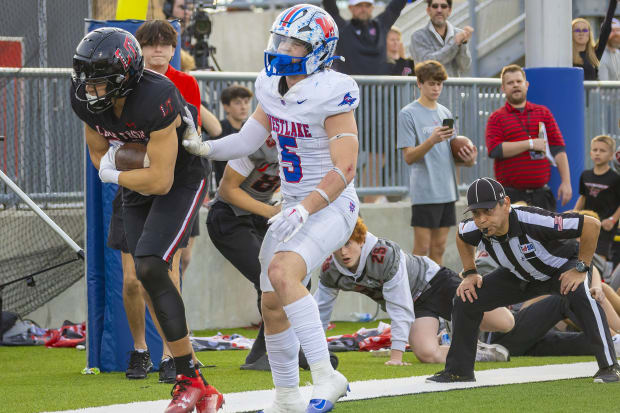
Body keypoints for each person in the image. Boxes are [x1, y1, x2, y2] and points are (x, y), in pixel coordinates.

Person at [182, 5, 361, 412]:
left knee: (282, 272)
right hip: (294, 205)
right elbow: (247, 140)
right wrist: (207, 148)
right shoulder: (271, 85)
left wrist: (306, 207)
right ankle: (286, 397)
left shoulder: (334, 91)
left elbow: (345, 167)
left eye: (294, 42)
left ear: (319, 50)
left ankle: (326, 375)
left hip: (331, 203)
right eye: (281, 39)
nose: (282, 48)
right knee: (271, 303)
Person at [70, 28, 223, 412]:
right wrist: (123, 165)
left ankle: (189, 377)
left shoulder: (158, 96)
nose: (90, 90)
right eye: (87, 79)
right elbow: (98, 156)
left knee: (154, 265)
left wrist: (116, 171)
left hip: (183, 179)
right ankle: (196, 382)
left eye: (100, 81)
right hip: (140, 183)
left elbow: (160, 179)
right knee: (141, 272)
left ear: (125, 77)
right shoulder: (85, 99)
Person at [104, 20, 216, 384]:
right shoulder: (119, 83)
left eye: (165, 44)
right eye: (150, 44)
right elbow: (110, 144)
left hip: (174, 181)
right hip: (135, 184)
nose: (158, 50)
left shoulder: (184, 83)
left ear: (173, 48)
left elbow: (189, 132)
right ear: (136, 50)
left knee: (167, 269)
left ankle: (174, 354)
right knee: (133, 276)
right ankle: (140, 349)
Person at [426, 177, 620, 384]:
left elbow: (591, 224)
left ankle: (610, 366)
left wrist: (582, 268)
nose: (481, 219)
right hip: (519, 275)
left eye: (488, 211)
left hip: (559, 270)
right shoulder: (474, 228)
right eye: (476, 213)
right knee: (466, 298)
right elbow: (461, 235)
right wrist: (470, 272)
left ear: (506, 204)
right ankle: (459, 371)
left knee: (581, 294)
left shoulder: (533, 219)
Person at [315, 217, 514, 366]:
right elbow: (319, 312)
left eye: (348, 243)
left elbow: (399, 305)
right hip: (417, 305)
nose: (343, 252)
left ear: (360, 239)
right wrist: (313, 353)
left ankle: (452, 323)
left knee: (505, 323)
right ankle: (475, 351)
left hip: (436, 283)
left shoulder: (383, 255)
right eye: (338, 246)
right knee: (427, 354)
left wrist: (396, 357)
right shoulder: (330, 271)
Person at [206, 132, 281, 371]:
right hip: (228, 217)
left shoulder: (305, 145)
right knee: (271, 278)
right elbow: (227, 190)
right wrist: (270, 212)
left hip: (258, 216)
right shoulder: (260, 142)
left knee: (285, 278)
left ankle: (264, 352)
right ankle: (276, 349)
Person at [397, 60, 477, 265]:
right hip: (425, 191)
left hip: (447, 190)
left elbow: (451, 154)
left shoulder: (445, 112)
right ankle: (416, 292)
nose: (436, 88)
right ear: (419, 84)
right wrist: (431, 140)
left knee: (439, 248)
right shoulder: (408, 113)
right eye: (432, 83)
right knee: (421, 250)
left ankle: (434, 293)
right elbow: (408, 157)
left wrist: (469, 160)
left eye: (439, 84)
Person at [485, 64, 571, 211]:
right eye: (510, 83)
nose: (515, 85)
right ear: (503, 88)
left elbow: (558, 149)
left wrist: (566, 182)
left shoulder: (543, 113)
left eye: (519, 81)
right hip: (510, 196)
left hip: (541, 195)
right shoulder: (496, 117)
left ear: (526, 85)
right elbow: (495, 150)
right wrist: (529, 144)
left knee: (546, 234)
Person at [322, 0, 410, 75]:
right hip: (351, 91)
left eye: (367, 6)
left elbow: (395, 7)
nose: (363, 9)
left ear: (372, 8)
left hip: (380, 90)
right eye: (359, 5)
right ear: (350, 8)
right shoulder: (342, 28)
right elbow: (330, 7)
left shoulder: (381, 25)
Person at [574, 135, 620, 262]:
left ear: (611, 155)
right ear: (590, 153)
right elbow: (583, 196)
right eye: (595, 150)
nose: (597, 153)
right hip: (587, 223)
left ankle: (600, 281)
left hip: (605, 226)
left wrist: (612, 220)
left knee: (599, 260)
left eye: (602, 151)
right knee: (581, 256)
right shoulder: (585, 175)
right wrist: (574, 213)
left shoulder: (615, 178)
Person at [410, 0, 473, 78]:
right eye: (435, 6)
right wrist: (455, 43)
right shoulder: (418, 36)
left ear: (449, 10)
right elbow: (428, 64)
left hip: (454, 89)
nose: (439, 10)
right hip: (428, 90)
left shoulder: (459, 34)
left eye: (443, 6)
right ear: (428, 10)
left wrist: (463, 44)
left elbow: (465, 66)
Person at [210, 85, 253, 187]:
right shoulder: (219, 130)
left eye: (246, 102)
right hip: (226, 186)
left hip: (249, 187)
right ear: (226, 107)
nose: (243, 107)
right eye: (237, 103)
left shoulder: (250, 128)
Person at [572, 0, 618, 81]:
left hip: (590, 94)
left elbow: (606, 30)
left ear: (589, 34)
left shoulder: (593, 55)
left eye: (585, 30)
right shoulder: (566, 55)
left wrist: (613, 2)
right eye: (577, 30)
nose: (581, 33)